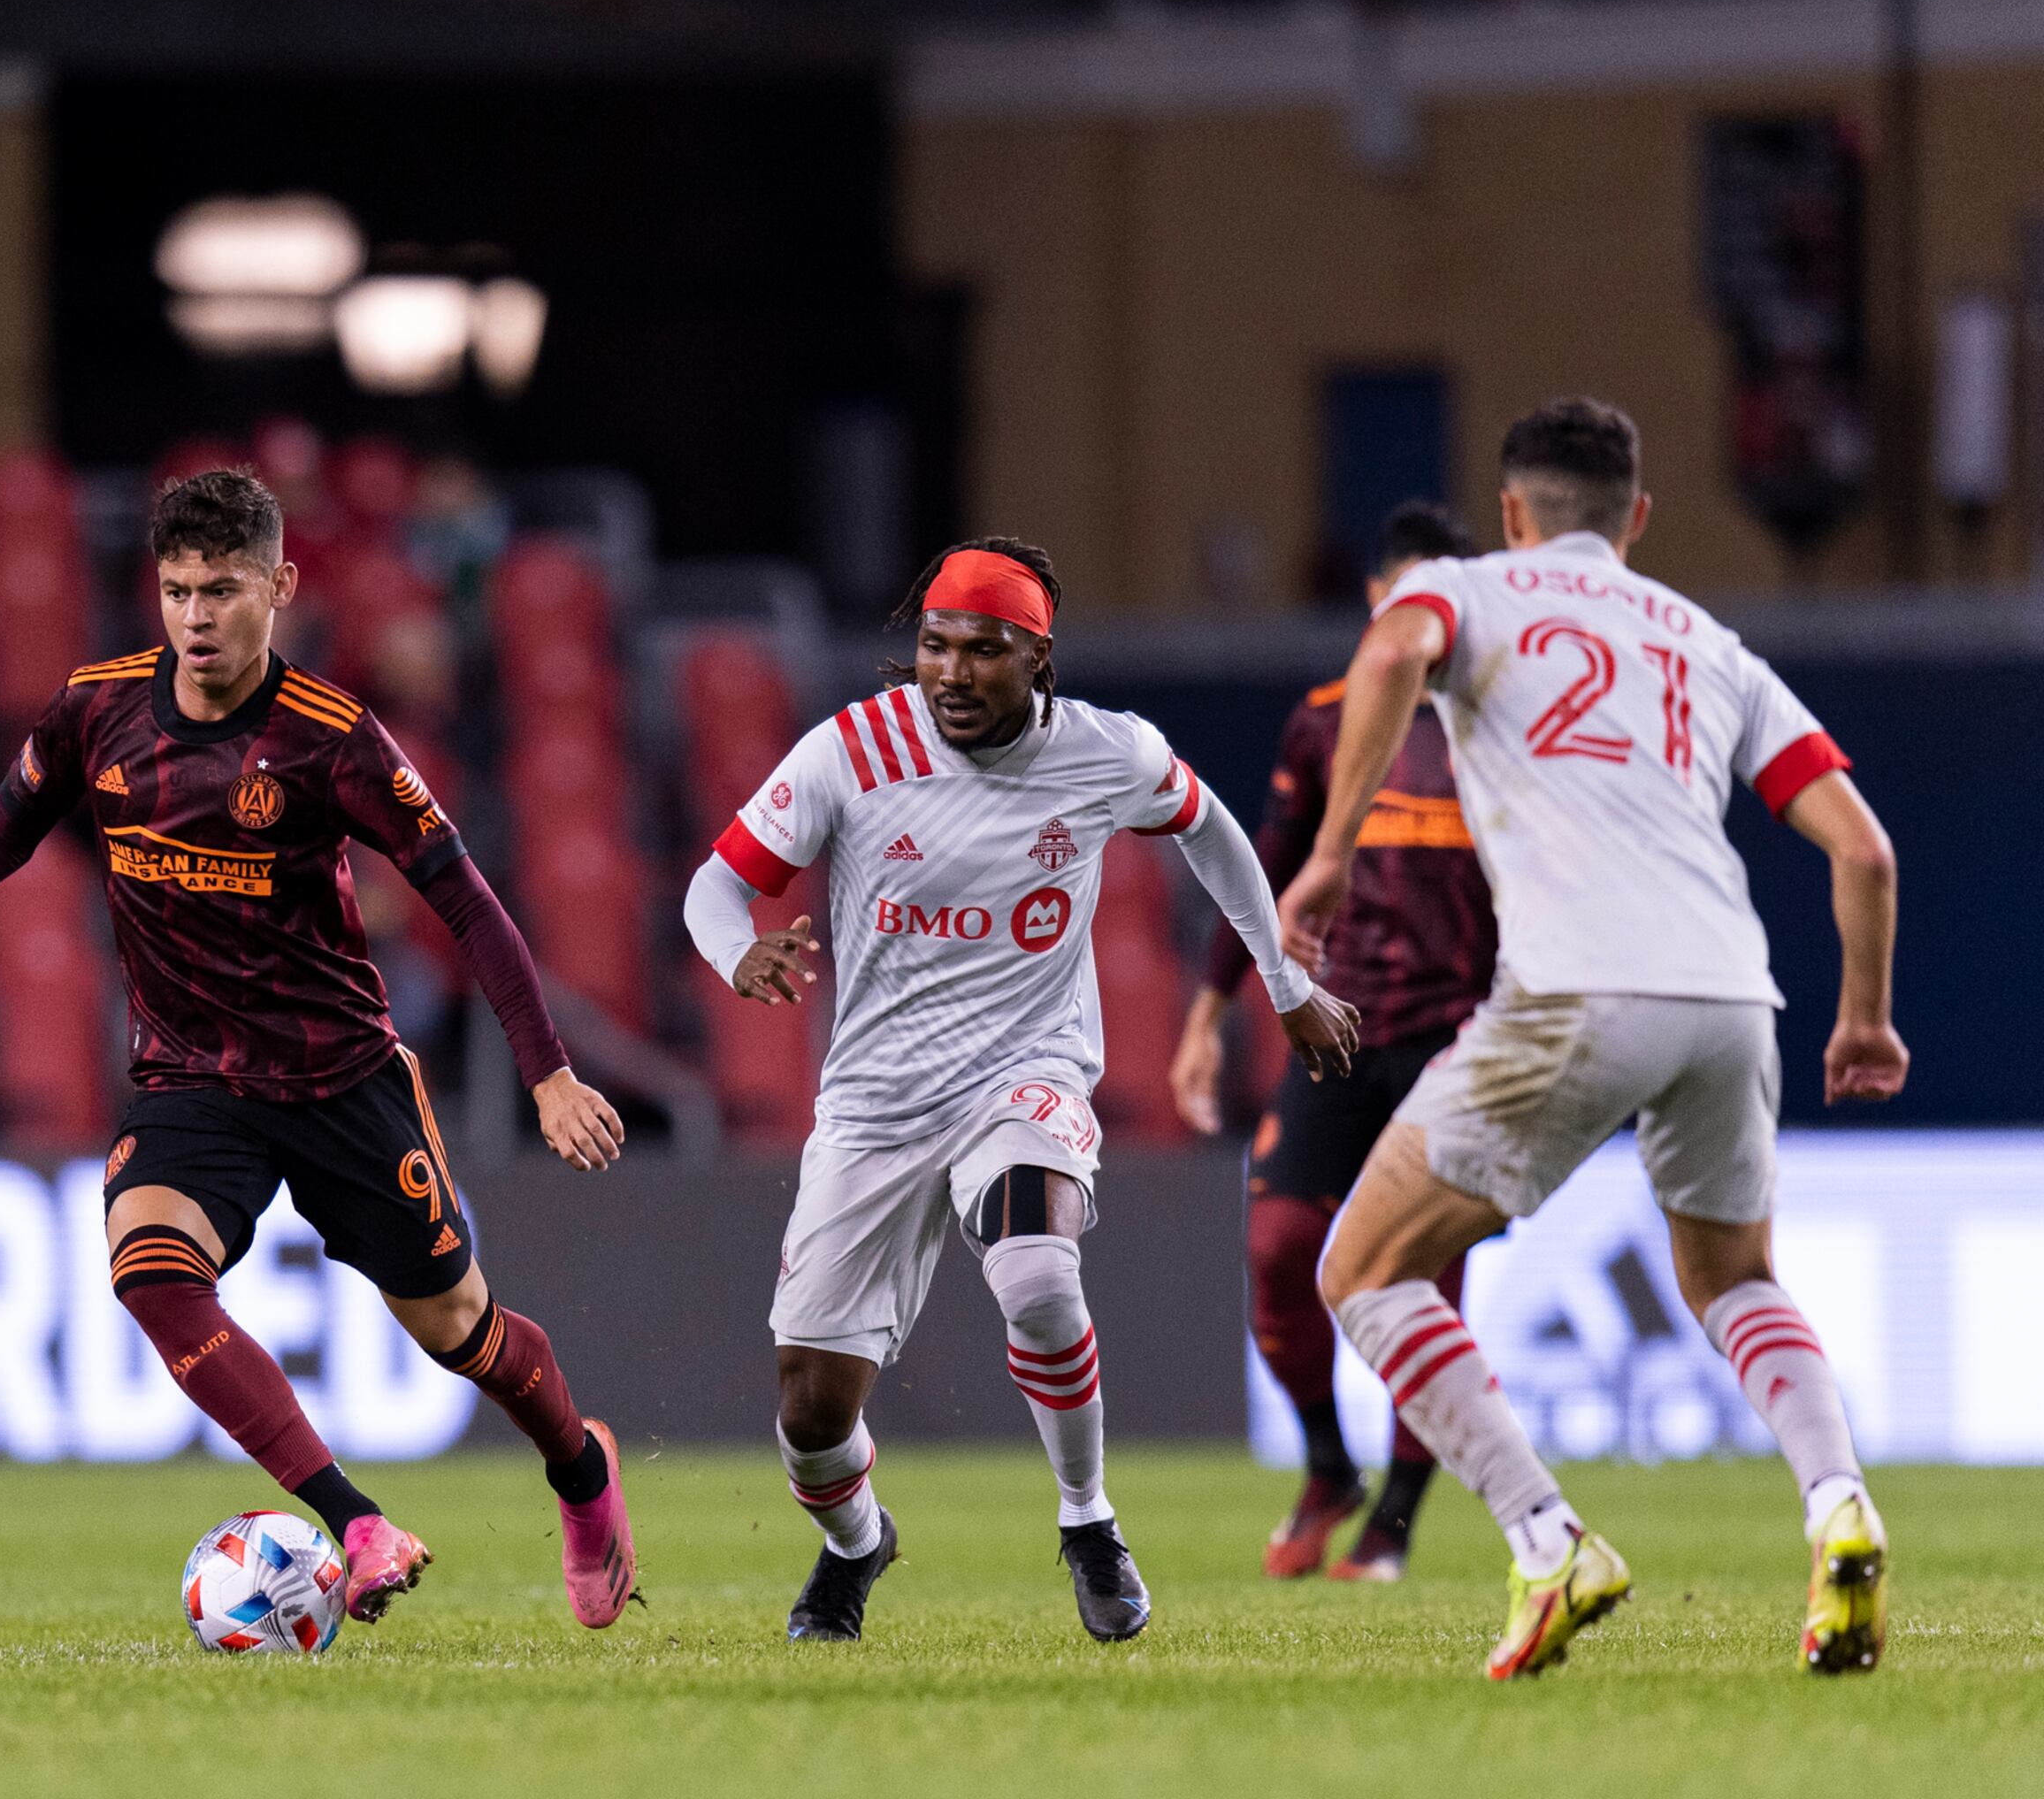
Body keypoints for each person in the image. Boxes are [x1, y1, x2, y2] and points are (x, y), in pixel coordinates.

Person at [0, 469, 640, 1631]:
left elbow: (468, 902)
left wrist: (546, 1070)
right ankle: (356, 1521)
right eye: (178, 589)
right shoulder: (98, 710)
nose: (195, 615)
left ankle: (582, 1473)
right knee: (148, 1268)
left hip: (339, 1079)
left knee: (459, 1334)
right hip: (190, 1079)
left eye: (222, 590)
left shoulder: (332, 740)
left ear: (278, 587)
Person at [1282, 397, 1907, 1680]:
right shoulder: (1710, 643)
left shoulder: (1471, 590)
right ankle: (1840, 1503)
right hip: (1734, 998)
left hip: (1578, 990)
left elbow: (1397, 650)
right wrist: (1864, 1017)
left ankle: (1546, 1538)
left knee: (1362, 1270)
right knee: (1736, 1278)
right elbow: (1864, 848)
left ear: (1513, 515)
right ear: (1637, 518)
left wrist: (1332, 852)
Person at [683, 537, 1360, 1644]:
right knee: (810, 1416)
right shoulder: (850, 750)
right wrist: (738, 953)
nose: (950, 670)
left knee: (1039, 1275)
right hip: (874, 1105)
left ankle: (1088, 1522)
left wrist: (1280, 984)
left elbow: (1214, 833)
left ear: (1035, 659)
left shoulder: (1106, 754)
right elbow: (717, 883)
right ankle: (858, 1544)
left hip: (1024, 1073)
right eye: (935, 645)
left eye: (982, 650)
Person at [1167, 500, 1497, 1583]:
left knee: (1424, 1279)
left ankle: (1395, 1521)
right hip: (1341, 1035)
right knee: (1276, 1255)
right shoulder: (1325, 720)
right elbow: (1260, 874)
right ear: (1377, 602)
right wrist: (1209, 1018)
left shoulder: (1508, 730)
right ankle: (1326, 1465)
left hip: (1457, 1043)